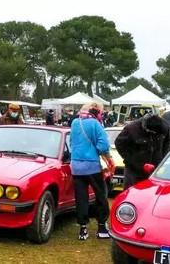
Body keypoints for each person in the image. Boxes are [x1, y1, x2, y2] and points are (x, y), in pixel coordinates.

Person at [70, 102, 112, 240]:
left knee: (81, 198)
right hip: (92, 166)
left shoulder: (75, 122)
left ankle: (83, 229)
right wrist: (104, 156)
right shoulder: (95, 124)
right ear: (96, 112)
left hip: (76, 166)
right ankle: (101, 227)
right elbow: (103, 145)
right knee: (100, 195)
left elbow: (71, 143)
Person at [115, 113, 170, 189]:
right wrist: (134, 161)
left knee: (152, 194)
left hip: (154, 170)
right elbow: (119, 144)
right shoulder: (131, 129)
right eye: (151, 132)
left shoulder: (164, 127)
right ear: (145, 128)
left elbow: (167, 142)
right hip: (134, 170)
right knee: (132, 193)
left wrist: (162, 158)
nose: (153, 134)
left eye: (155, 133)